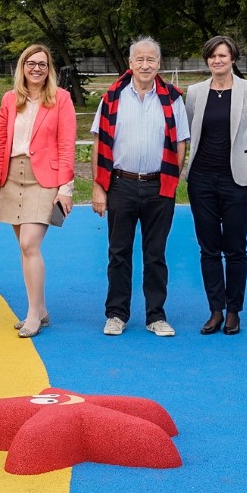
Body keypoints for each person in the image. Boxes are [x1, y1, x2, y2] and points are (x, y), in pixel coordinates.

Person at [91, 37, 190, 338]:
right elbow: (98, 142)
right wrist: (99, 187)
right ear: (130, 63)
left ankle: (156, 316)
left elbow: (181, 143)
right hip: (120, 184)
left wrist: (171, 181)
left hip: (159, 186)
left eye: (151, 60)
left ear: (159, 64)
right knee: (118, 253)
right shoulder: (112, 98)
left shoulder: (173, 99)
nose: (145, 65)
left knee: (155, 254)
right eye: (140, 59)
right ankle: (116, 314)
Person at [0, 44, 77, 338]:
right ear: (22, 67)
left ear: (49, 68)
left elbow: (66, 146)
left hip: (45, 179)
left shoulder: (61, 99)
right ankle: (41, 310)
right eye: (31, 63)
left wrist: (66, 188)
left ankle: (32, 315)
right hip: (13, 176)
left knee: (29, 244)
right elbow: (1, 142)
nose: (36, 68)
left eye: (42, 64)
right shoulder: (10, 99)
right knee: (24, 248)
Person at [183, 35, 247, 336]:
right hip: (202, 181)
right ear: (207, 60)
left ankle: (234, 311)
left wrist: (243, 162)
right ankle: (215, 310)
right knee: (208, 248)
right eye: (212, 56)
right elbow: (190, 131)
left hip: (238, 182)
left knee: (235, 248)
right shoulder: (194, 93)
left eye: (223, 56)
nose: (217, 61)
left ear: (233, 58)